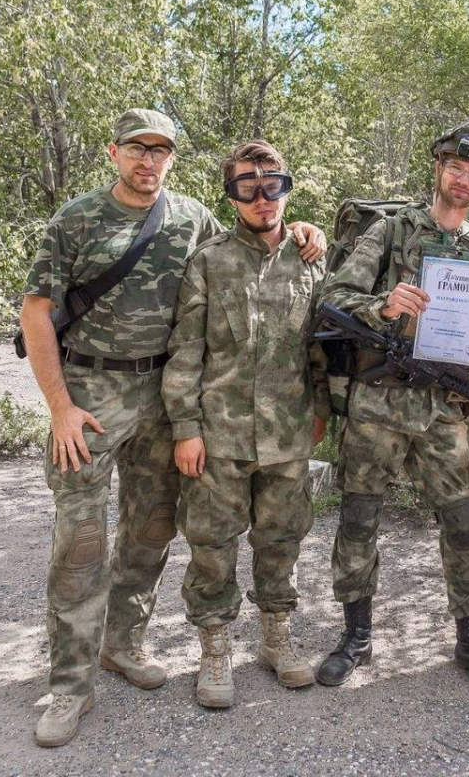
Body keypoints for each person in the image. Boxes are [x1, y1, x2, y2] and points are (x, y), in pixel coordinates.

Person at [20, 109, 325, 746]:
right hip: (90, 395)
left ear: (173, 160)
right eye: (137, 149)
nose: (148, 161)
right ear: (114, 153)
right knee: (79, 542)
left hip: (162, 398)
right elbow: (38, 311)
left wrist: (304, 229)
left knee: (151, 528)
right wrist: (59, 406)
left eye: (160, 151)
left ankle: (121, 645)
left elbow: (253, 244)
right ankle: (69, 685)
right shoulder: (77, 219)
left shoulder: (191, 218)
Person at [315, 118, 469, 693]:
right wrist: (385, 302)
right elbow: (333, 297)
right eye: (457, 168)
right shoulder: (391, 230)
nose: (464, 181)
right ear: (439, 169)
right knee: (358, 521)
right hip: (379, 399)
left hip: (443, 407)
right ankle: (356, 636)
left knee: (463, 522)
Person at [162, 140, 330, 708]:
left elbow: (321, 349)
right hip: (220, 434)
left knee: (282, 539)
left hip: (287, 433)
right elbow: (186, 352)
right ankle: (214, 649)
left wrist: (322, 412)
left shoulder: (311, 261)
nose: (262, 198)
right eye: (247, 188)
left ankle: (275, 639)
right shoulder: (209, 261)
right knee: (212, 544)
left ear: (287, 187)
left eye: (272, 185)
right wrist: (185, 427)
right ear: (231, 195)